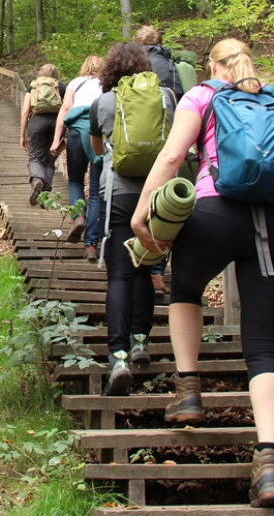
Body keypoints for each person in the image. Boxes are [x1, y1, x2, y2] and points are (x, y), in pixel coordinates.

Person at [130, 38, 274, 509]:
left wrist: (142, 216)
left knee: (185, 286)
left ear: (211, 65)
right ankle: (268, 464)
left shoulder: (202, 95)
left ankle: (189, 391)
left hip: (214, 213)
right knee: (263, 347)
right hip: (272, 223)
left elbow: (170, 156)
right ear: (248, 63)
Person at [88, 43, 176, 396]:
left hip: (120, 196)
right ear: (144, 66)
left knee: (121, 274)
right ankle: (141, 341)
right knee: (147, 265)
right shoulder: (166, 97)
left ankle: (118, 356)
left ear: (109, 70)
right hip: (158, 197)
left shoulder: (103, 103)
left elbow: (96, 150)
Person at [133, 24, 184, 296]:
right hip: (167, 140)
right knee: (162, 206)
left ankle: (132, 260)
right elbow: (184, 101)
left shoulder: (133, 64)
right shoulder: (171, 66)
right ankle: (157, 271)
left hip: (135, 140)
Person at [50, 55, 105, 261]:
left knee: (75, 180)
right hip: (99, 135)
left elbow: (65, 110)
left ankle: (78, 216)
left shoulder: (75, 83)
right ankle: (91, 245)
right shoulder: (107, 85)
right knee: (96, 191)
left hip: (75, 133)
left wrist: (56, 139)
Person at [20, 63, 64, 206]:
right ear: (56, 75)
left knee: (35, 157)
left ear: (41, 73)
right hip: (57, 124)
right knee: (50, 160)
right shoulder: (62, 87)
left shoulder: (33, 86)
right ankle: (44, 194)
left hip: (37, 122)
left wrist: (22, 135)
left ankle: (37, 179)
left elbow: (25, 111)